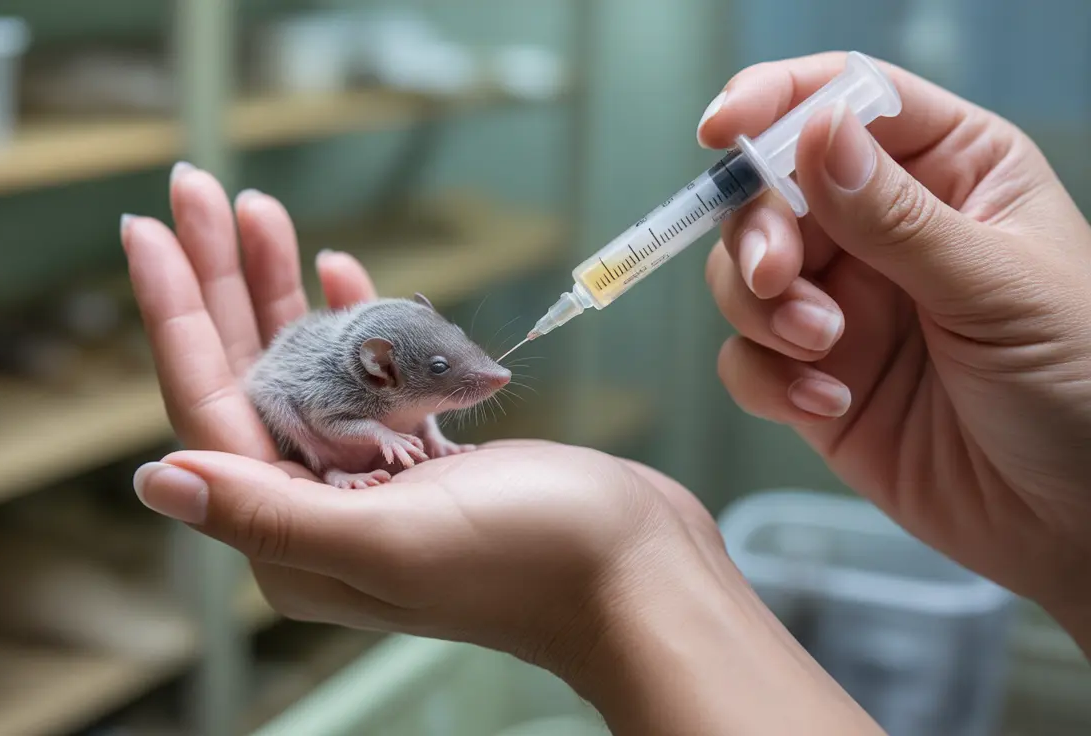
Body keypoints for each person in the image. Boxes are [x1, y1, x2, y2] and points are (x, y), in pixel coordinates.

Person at [120, 51, 1091, 735]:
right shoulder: (345, 390)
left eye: (465, 361)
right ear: (380, 369)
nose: (489, 375)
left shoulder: (395, 374)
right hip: (316, 413)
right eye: (448, 376)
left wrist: (607, 579)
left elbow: (418, 421)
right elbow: (332, 426)